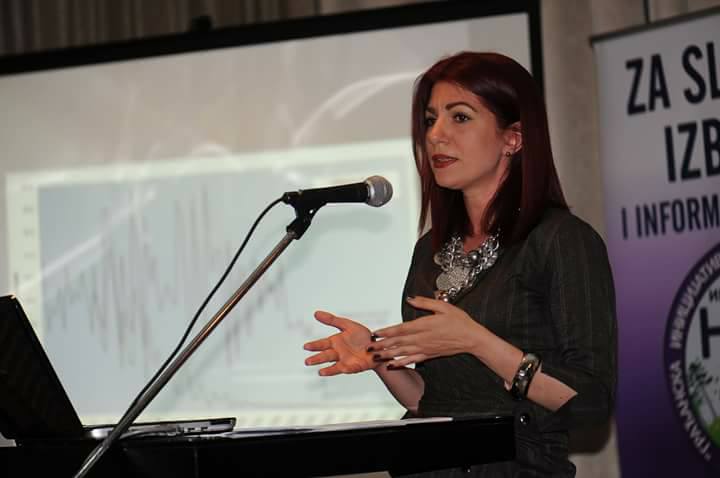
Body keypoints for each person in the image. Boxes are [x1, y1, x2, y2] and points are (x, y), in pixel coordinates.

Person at [303, 51, 617, 477]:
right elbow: (429, 400)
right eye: (430, 120)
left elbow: (592, 401)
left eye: (460, 117)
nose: (436, 135)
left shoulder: (561, 240)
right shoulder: (429, 250)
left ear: (513, 138)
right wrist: (377, 358)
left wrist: (477, 341)